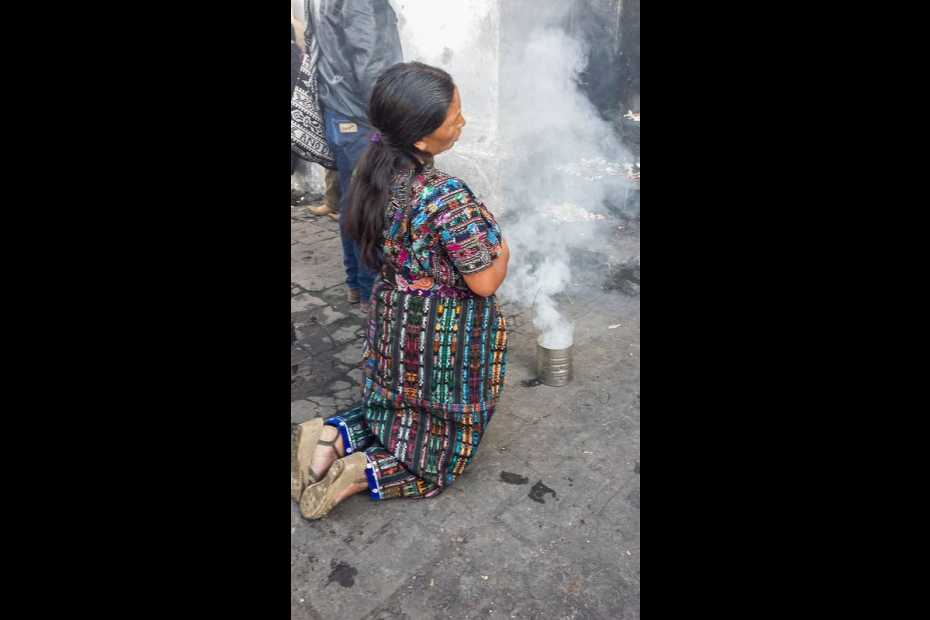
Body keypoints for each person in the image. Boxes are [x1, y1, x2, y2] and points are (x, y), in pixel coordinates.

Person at [291, 62, 511, 519]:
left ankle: (331, 437)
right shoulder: (445, 195)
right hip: (444, 332)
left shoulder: (369, 172)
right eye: (454, 117)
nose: (462, 122)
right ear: (421, 139)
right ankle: (364, 472)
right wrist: (503, 247)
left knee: (394, 402)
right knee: (440, 443)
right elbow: (485, 280)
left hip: (393, 317)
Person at [313, 0, 403, 311]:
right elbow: (370, 64)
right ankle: (372, 293)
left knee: (353, 200)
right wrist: (388, 118)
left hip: (341, 110)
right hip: (360, 114)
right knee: (369, 204)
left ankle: (356, 283)